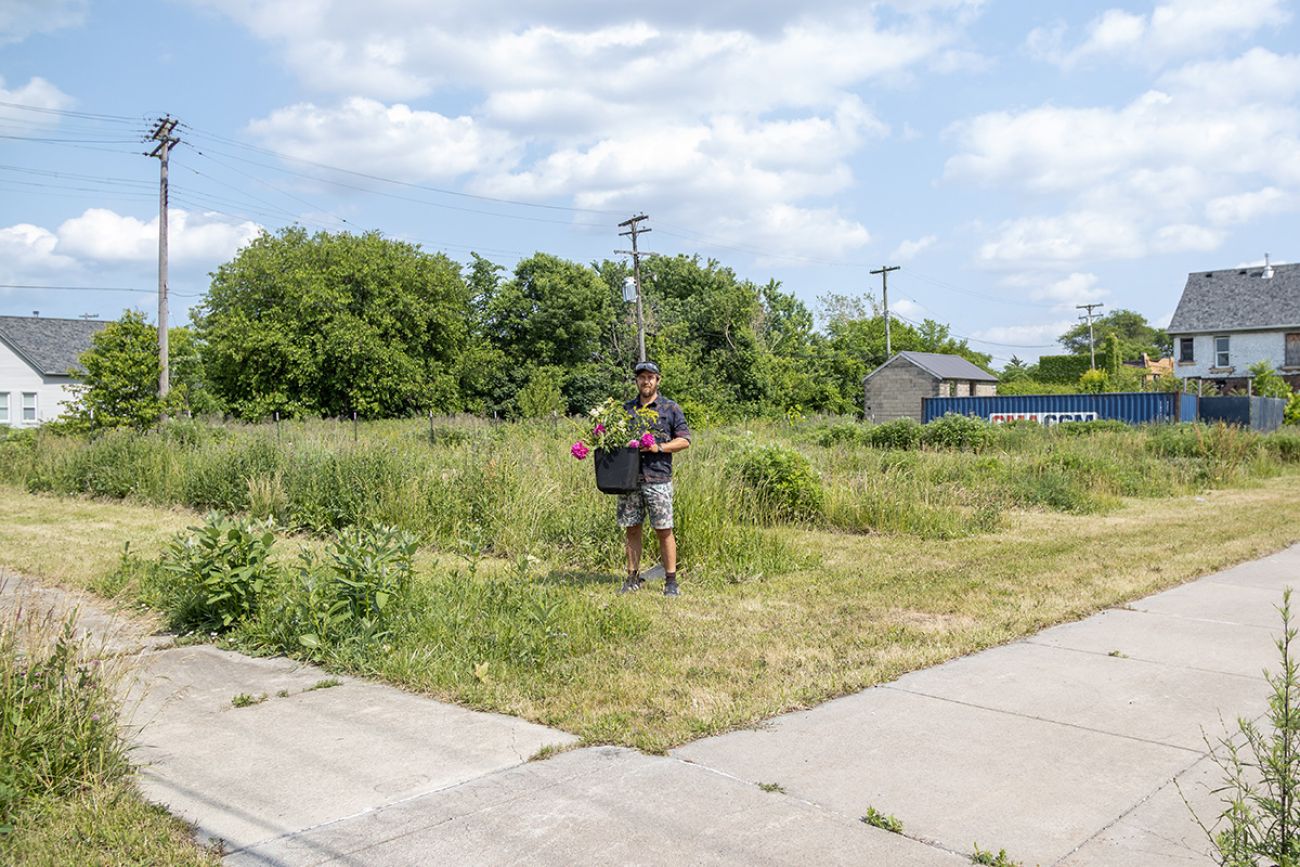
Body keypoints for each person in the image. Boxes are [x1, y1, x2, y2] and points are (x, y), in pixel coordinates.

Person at [618, 360, 691, 596]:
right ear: (637, 381)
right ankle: (632, 578)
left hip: (658, 478)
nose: (646, 381)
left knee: (664, 529)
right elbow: (614, 439)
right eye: (642, 377)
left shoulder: (670, 408)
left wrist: (659, 448)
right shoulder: (626, 410)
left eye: (650, 377)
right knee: (632, 529)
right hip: (629, 480)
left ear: (657, 380)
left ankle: (671, 581)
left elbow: (685, 440)